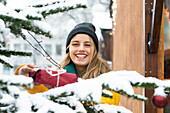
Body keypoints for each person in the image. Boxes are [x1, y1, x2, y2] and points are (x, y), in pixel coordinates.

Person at [15, 22, 121, 105]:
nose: (81, 49)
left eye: (87, 45)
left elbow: (107, 104)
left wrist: (69, 86)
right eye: (75, 44)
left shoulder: (108, 78)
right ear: (68, 49)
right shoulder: (56, 77)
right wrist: (25, 75)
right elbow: (41, 92)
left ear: (95, 50)